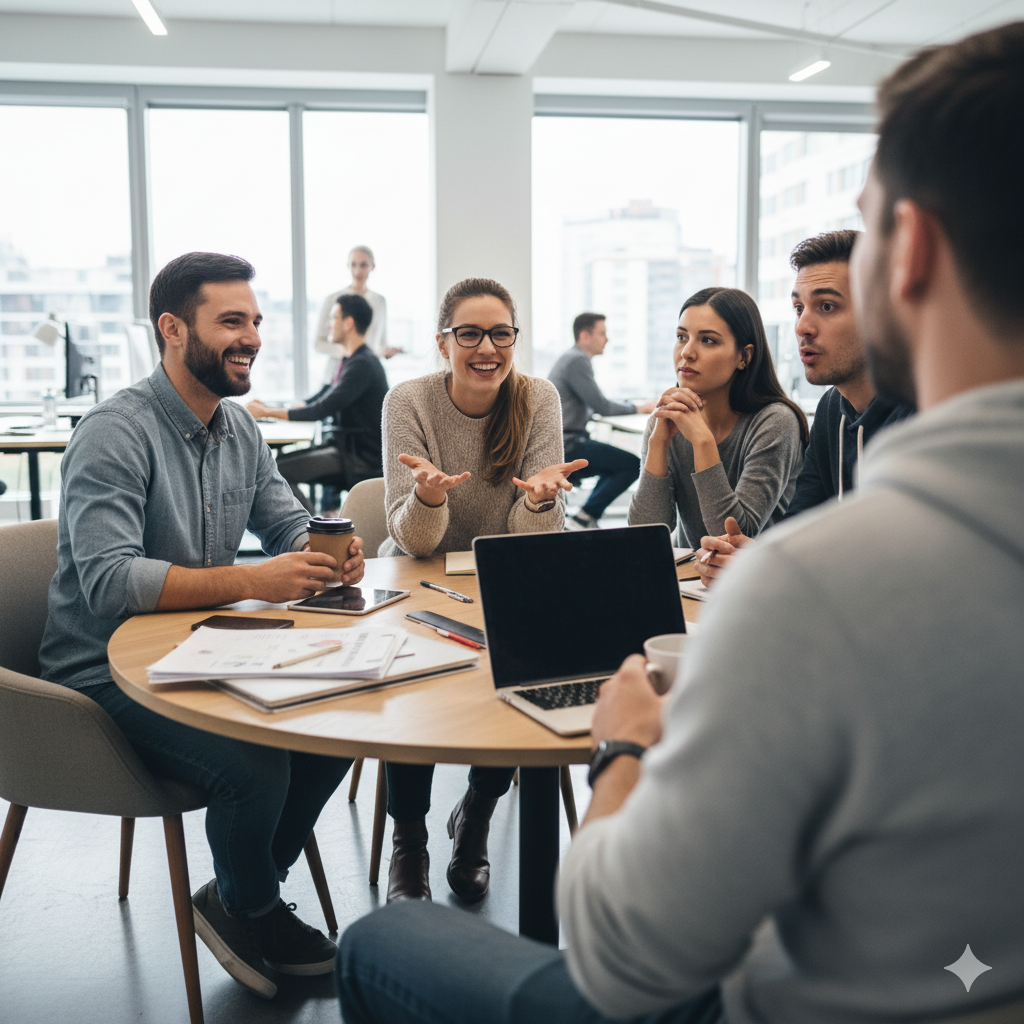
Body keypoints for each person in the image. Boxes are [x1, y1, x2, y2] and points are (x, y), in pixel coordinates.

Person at [335, 21, 1024, 1024]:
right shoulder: (828, 517)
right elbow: (649, 539)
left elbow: (624, 954)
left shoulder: (814, 586)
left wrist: (621, 750)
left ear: (906, 254)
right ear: (444, 340)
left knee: (382, 939)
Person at [37, 252, 367, 1002]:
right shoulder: (114, 432)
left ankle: (240, 895)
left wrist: (325, 552)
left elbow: (285, 522)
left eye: (254, 321)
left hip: (199, 653)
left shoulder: (240, 429)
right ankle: (252, 906)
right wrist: (255, 580)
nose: (250, 337)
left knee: (337, 728)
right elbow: (110, 580)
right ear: (172, 328)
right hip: (101, 673)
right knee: (257, 765)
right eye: (231, 322)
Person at [378, 276, 587, 905]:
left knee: (523, 672)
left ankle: (474, 817)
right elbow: (412, 543)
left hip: (506, 572)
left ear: (514, 339)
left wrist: (543, 501)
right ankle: (408, 842)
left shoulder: (538, 398)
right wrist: (429, 495)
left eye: (501, 333)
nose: (486, 347)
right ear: (444, 342)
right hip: (417, 574)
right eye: (469, 333)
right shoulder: (407, 402)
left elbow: (530, 539)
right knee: (408, 686)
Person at [695, 231, 915, 588]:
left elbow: (902, 568)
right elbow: (798, 532)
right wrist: (750, 560)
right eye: (799, 308)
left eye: (826, 306)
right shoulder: (832, 409)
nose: (802, 327)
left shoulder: (923, 414)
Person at [627, 286, 807, 548]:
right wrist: (658, 443)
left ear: (743, 357)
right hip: (691, 580)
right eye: (681, 336)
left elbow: (734, 538)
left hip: (760, 580)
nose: (687, 352)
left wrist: (702, 442)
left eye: (708, 340)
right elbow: (645, 535)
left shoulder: (775, 421)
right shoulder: (666, 419)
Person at [246, 293, 388, 514]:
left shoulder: (363, 364)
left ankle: (315, 531)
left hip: (357, 457)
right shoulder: (351, 359)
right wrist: (274, 406)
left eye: (334, 318)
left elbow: (322, 409)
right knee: (280, 463)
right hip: (343, 447)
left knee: (280, 470)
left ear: (349, 323)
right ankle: (313, 527)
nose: (329, 325)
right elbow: (319, 397)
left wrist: (266, 411)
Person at [548, 313, 656, 529]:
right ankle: (585, 517)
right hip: (568, 446)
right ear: (585, 335)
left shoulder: (572, 359)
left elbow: (593, 405)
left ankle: (586, 516)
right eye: (602, 333)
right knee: (631, 464)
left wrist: (627, 405)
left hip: (566, 442)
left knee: (615, 463)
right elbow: (602, 406)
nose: (607, 339)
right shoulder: (577, 360)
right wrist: (639, 408)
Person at [314, 245, 398, 380]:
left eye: (363, 265)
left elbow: (379, 344)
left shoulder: (380, 301)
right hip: (338, 374)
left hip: (368, 373)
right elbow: (318, 343)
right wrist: (348, 352)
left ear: (372, 266)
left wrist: (385, 352)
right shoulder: (333, 300)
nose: (358, 270)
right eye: (353, 265)